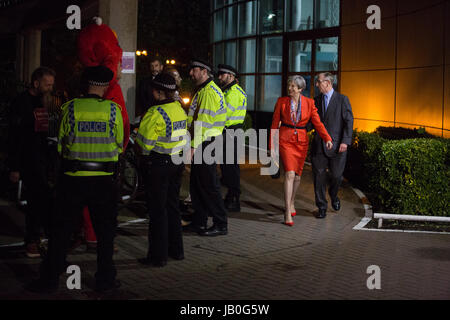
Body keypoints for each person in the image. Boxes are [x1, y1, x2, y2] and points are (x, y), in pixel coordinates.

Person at [26, 65, 124, 293]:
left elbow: (61, 144)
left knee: (61, 232)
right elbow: (118, 144)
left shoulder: (69, 109)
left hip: (73, 180)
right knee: (105, 234)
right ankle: (105, 282)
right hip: (103, 180)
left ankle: (49, 280)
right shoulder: (113, 110)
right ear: (106, 86)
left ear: (85, 84)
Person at [136, 73, 187, 267]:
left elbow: (144, 145)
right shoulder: (178, 109)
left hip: (159, 165)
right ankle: (177, 251)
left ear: (158, 92)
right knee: (173, 207)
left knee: (158, 211)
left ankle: (158, 256)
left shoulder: (154, 113)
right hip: (177, 162)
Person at [270, 75, 333, 226]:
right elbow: (274, 124)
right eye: (289, 85)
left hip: (301, 142)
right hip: (285, 140)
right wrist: (271, 146)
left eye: (293, 86)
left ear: (300, 89)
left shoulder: (309, 103)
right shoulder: (281, 102)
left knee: (298, 177)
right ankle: (287, 211)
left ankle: (292, 202)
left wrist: (327, 138)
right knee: (290, 174)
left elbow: (318, 124)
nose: (290, 88)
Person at [8, 66, 55, 258]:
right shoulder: (22, 103)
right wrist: (14, 167)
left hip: (39, 160)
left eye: (52, 84)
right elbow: (15, 136)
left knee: (40, 199)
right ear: (36, 83)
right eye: (47, 84)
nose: (50, 88)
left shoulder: (41, 102)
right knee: (36, 200)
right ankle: (32, 240)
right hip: (28, 159)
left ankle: (37, 237)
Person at [185, 59, 228, 236]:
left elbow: (203, 122)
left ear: (204, 71)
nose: (191, 73)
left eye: (194, 70)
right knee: (197, 184)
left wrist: (193, 146)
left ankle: (221, 223)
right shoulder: (204, 90)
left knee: (209, 185)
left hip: (206, 142)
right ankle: (199, 221)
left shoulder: (208, 92)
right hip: (204, 141)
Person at [311, 72, 354, 219]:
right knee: (318, 177)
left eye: (319, 82)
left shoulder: (342, 100)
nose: (317, 84)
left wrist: (345, 141)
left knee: (336, 176)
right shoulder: (315, 101)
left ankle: (334, 195)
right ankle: (321, 207)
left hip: (337, 147)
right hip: (319, 146)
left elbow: (349, 121)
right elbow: (310, 121)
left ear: (328, 83)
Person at [217, 64, 247, 212]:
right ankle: (232, 197)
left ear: (231, 76)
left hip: (230, 132)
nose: (219, 77)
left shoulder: (233, 93)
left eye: (222, 74)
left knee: (231, 168)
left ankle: (234, 199)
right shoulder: (230, 91)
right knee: (228, 166)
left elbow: (223, 115)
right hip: (230, 132)